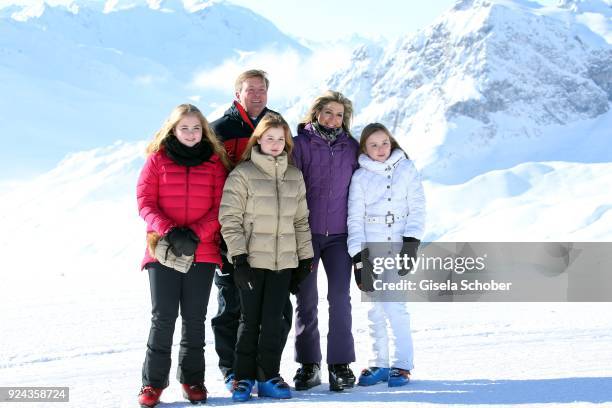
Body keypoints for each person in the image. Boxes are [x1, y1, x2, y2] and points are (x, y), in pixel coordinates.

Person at [136, 104, 229, 408]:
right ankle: (152, 383)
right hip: (163, 249)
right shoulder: (157, 160)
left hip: (201, 251)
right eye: (184, 128)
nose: (191, 133)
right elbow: (145, 202)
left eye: (196, 128)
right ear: (173, 130)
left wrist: (195, 235)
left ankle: (192, 380)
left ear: (204, 131)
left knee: (194, 319)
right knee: (162, 318)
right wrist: (170, 231)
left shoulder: (215, 163)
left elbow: (220, 207)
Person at [219, 113, 314, 402]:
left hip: (282, 263)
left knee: (273, 321)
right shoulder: (243, 174)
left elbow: (300, 221)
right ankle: (244, 378)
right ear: (258, 139)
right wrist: (239, 259)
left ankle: (269, 375)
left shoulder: (294, 176)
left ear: (286, 142)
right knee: (249, 322)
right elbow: (230, 219)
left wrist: (304, 259)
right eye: (268, 137)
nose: (274, 143)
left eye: (279, 139)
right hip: (251, 262)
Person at [210, 69, 294, 390]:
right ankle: (233, 371)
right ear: (238, 93)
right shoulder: (221, 130)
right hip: (232, 235)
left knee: (277, 310)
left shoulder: (276, 125)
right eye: (250, 89)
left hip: (272, 237)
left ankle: (265, 370)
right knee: (233, 306)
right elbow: (212, 185)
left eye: (262, 89)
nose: (256, 95)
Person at [347, 122, 426, 388]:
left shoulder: (406, 169)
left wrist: (412, 242)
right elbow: (354, 219)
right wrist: (359, 258)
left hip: (397, 246)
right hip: (371, 248)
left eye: (384, 143)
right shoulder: (360, 177)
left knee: (395, 307)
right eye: (373, 145)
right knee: (373, 310)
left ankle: (402, 365)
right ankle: (378, 363)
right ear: (365, 149)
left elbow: (417, 207)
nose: (380, 149)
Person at [291, 90, 360, 392]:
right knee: (306, 300)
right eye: (328, 112)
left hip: (340, 237)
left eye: (339, 114)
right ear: (316, 112)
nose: (333, 119)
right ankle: (309, 364)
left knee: (340, 299)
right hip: (305, 234)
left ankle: (340, 364)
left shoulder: (352, 148)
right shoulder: (301, 144)